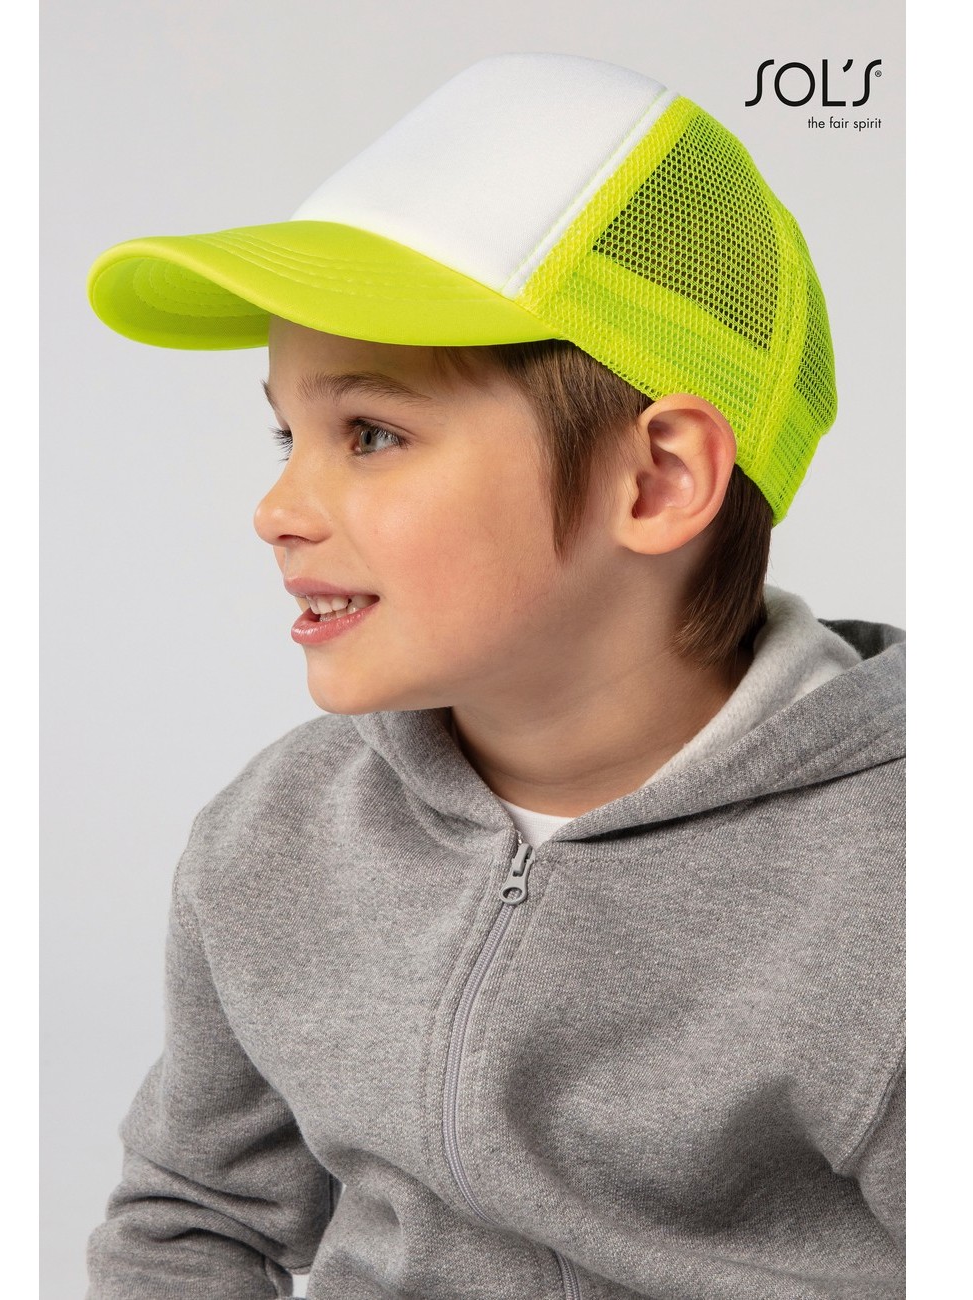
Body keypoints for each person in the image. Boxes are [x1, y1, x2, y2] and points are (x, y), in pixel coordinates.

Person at [84, 53, 904, 1300]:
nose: (276, 507)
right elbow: (192, 1218)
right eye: (286, 432)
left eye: (370, 433)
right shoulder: (280, 832)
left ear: (658, 478)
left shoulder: (896, 882)